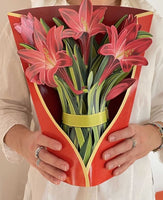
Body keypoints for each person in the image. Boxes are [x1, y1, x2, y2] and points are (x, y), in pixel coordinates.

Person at [0, 0, 163, 199]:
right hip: (52, 191)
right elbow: (6, 106)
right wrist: (24, 143)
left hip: (130, 191)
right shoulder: (26, 24)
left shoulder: (154, 25)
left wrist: (155, 135)